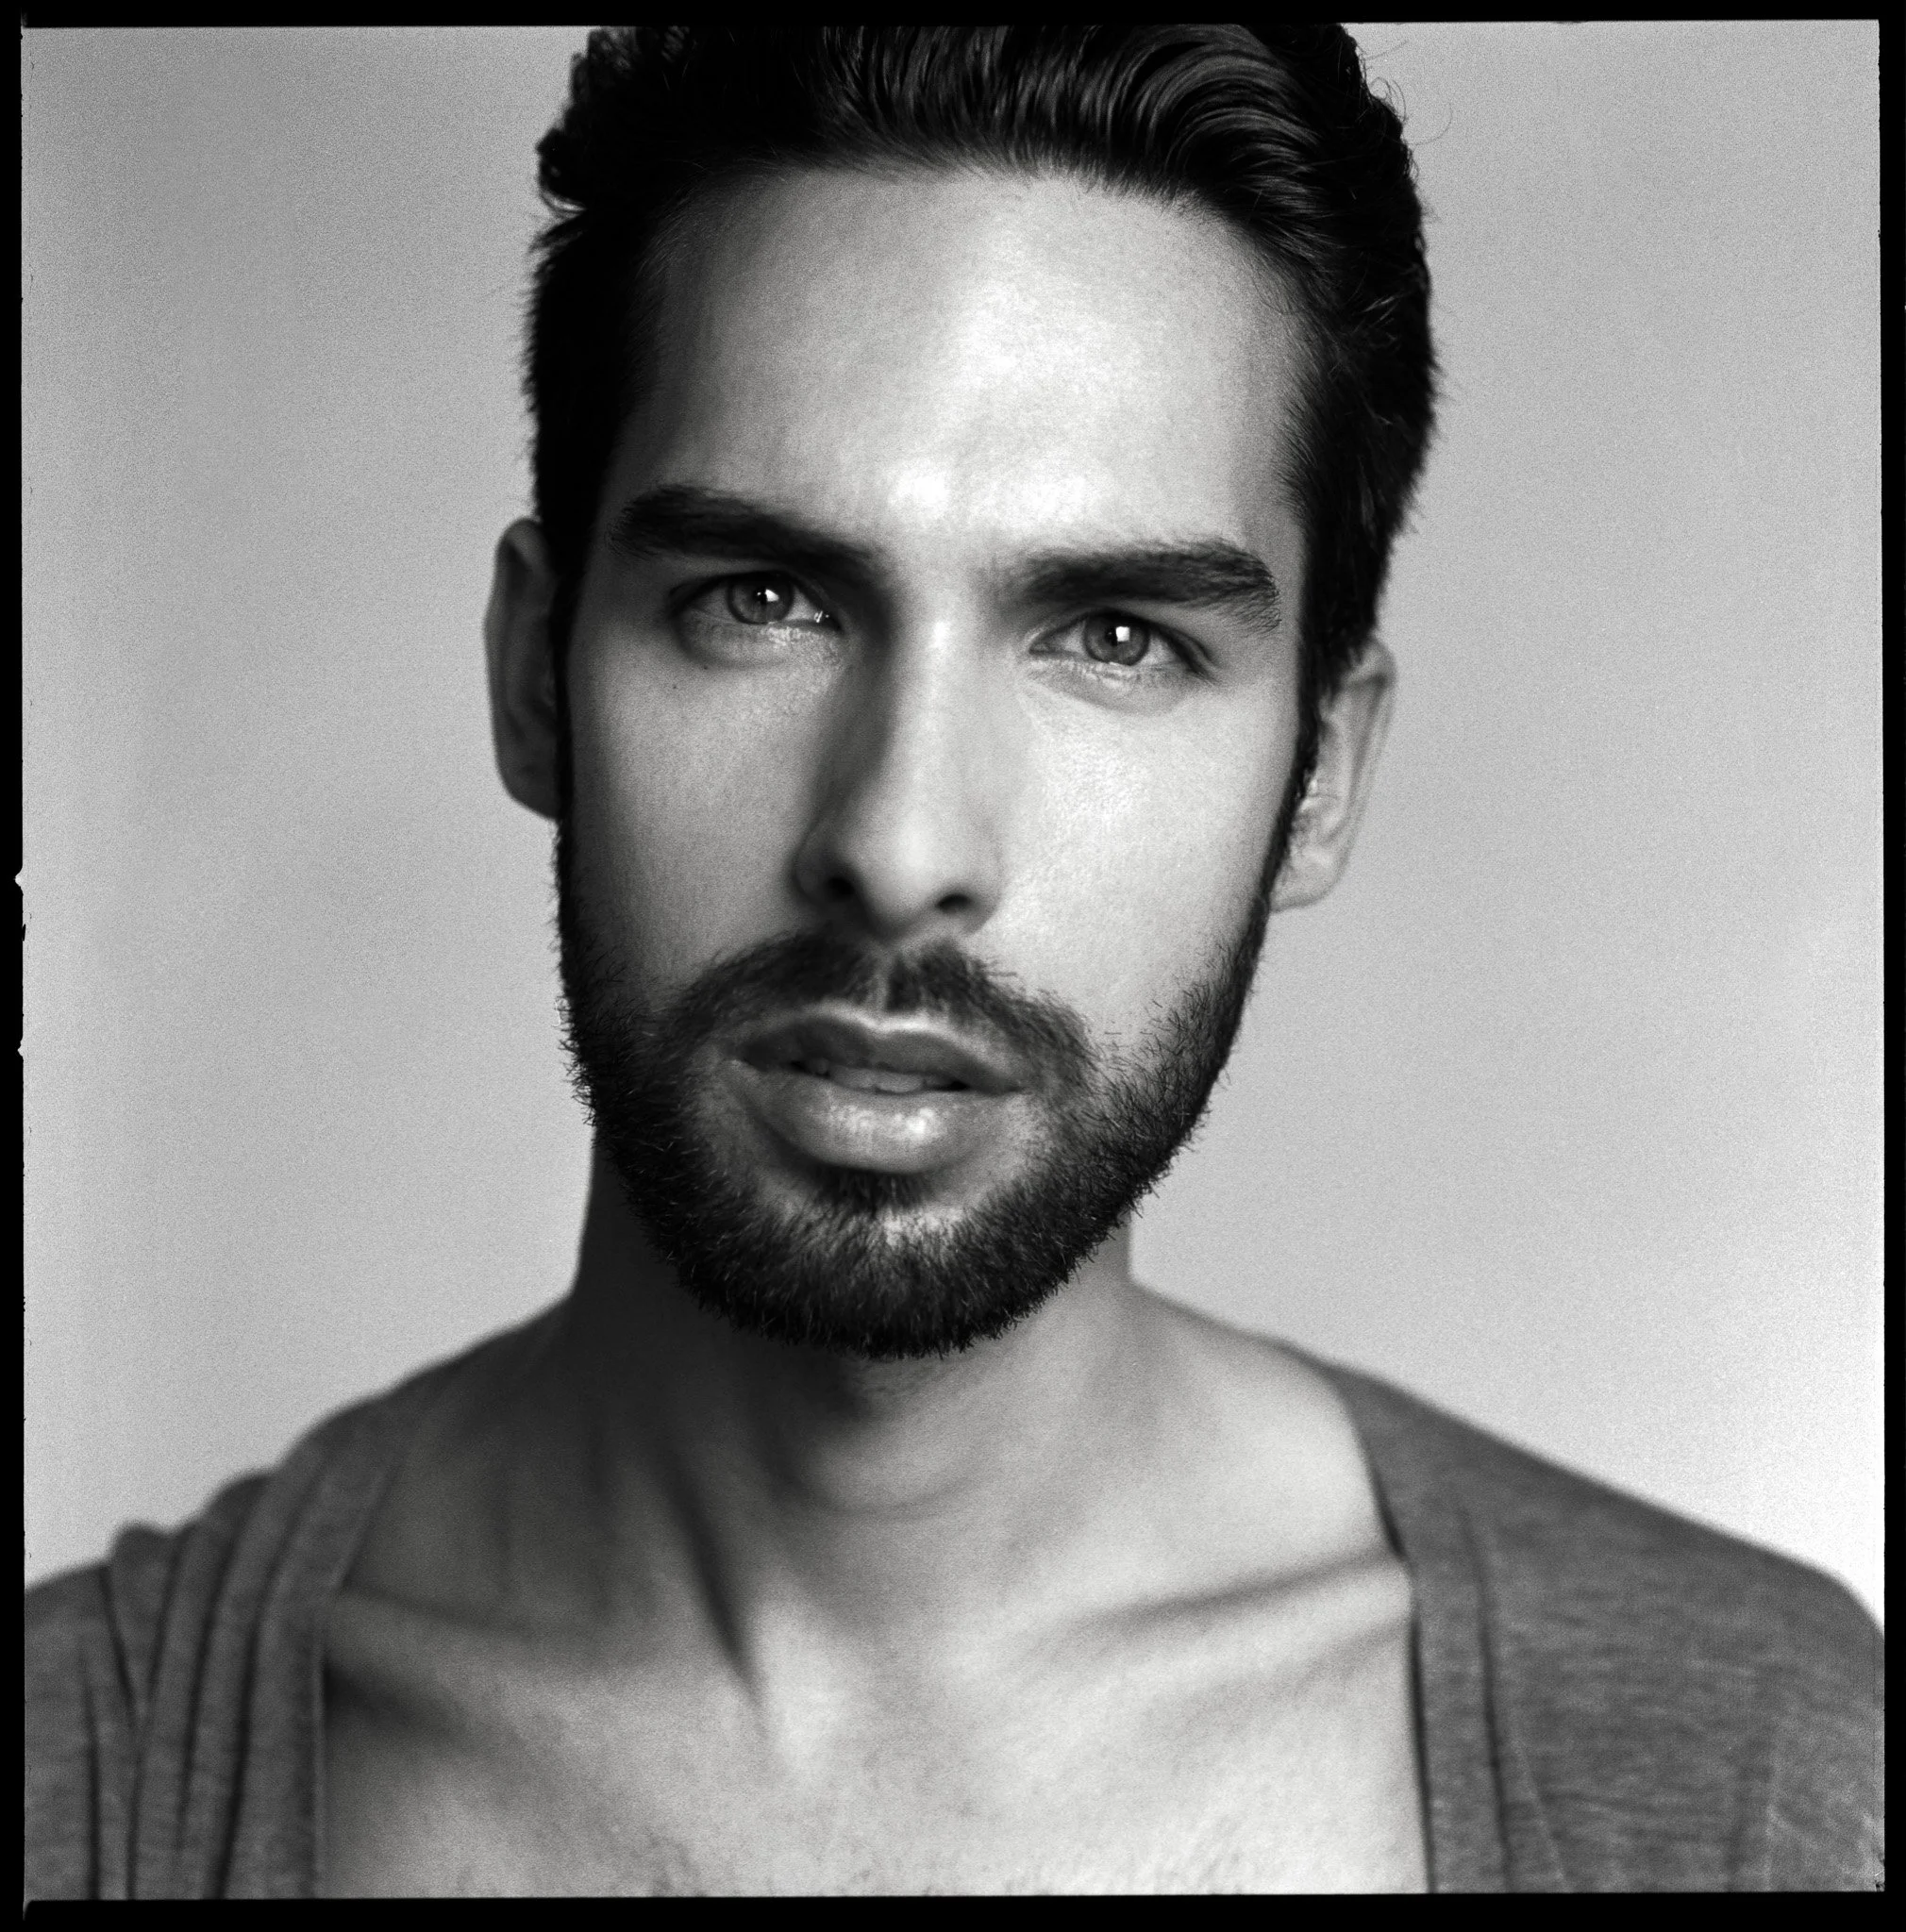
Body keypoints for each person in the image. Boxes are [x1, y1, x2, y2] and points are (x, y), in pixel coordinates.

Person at [24, 25, 1881, 1897]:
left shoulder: (1751, 1777)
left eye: (1113, 636)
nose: (900, 847)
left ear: (1317, 775)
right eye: (760, 600)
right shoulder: (74, 1787)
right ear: (532, 672)